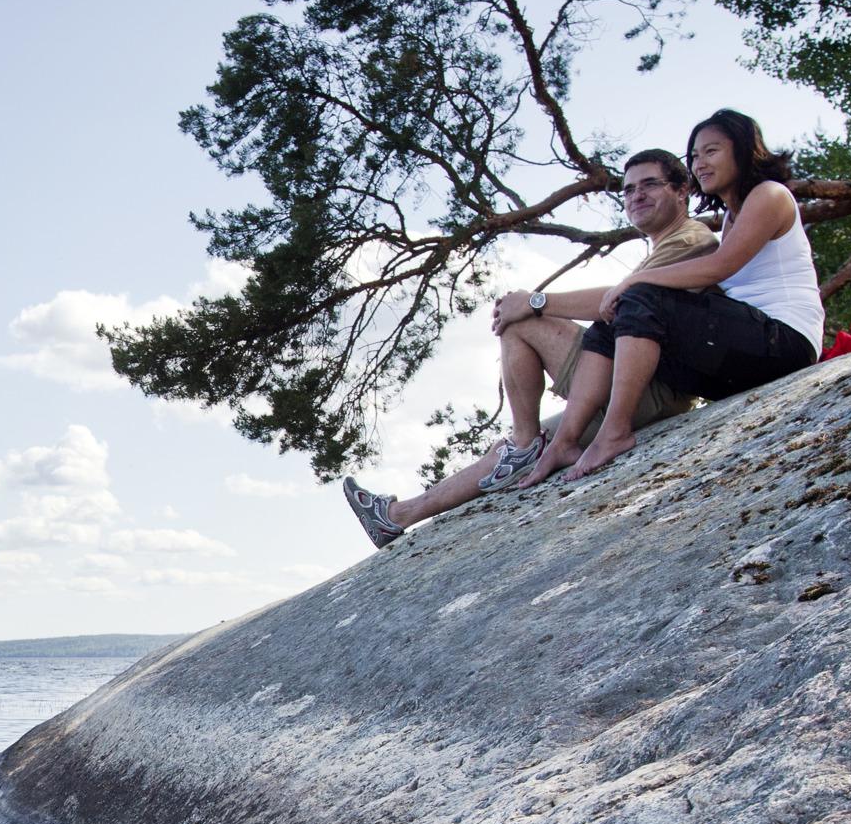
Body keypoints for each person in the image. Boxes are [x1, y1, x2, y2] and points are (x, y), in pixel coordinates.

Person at [340, 148, 719, 546]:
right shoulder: (664, 245)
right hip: (640, 390)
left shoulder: (691, 239)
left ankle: (523, 443)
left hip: (650, 389)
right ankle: (396, 516)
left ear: (682, 192)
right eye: (627, 190)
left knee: (520, 322)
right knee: (521, 448)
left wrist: (536, 301)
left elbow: (621, 303)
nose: (636, 196)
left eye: (649, 185)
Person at [516, 108, 822, 484]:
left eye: (711, 151)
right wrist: (626, 294)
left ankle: (614, 431)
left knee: (639, 297)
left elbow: (720, 266)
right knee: (611, 317)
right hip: (742, 359)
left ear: (743, 150)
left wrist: (633, 283)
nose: (700, 164)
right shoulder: (730, 217)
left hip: (784, 344)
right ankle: (564, 441)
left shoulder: (769, 195)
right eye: (694, 156)